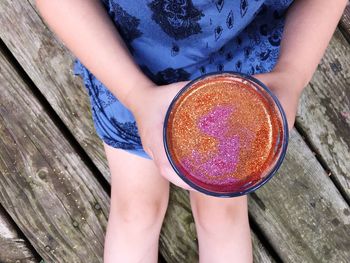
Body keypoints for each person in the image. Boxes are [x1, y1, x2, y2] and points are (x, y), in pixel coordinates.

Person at [35, 0, 348, 262]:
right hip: (127, 65)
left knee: (221, 217)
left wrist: (292, 75)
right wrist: (136, 94)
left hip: (239, 83)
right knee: (136, 210)